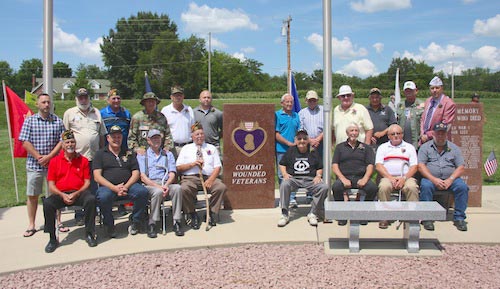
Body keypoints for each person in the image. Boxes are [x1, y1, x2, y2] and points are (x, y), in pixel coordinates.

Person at [42, 130, 97, 253]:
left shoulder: (82, 160)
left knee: (91, 200)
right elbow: (51, 185)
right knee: (47, 203)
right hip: (60, 194)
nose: (70, 145)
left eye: (72, 142)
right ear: (62, 145)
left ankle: (89, 233)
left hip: (78, 193)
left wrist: (75, 194)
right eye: (67, 142)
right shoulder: (55, 161)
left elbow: (87, 182)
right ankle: (52, 238)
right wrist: (62, 195)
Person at [19, 93, 64, 237]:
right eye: (43, 102)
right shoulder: (30, 121)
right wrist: (39, 157)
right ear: (37, 104)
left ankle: (58, 222)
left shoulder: (57, 121)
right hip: (34, 164)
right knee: (33, 195)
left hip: (53, 165)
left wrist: (50, 157)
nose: (46, 105)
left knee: (55, 195)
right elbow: (25, 141)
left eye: (48, 102)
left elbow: (62, 141)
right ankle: (31, 224)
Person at [93, 126, 149, 238]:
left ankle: (135, 220)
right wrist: (114, 188)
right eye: (114, 137)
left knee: (142, 192)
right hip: (108, 187)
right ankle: (109, 225)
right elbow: (97, 177)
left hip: (129, 185)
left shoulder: (128, 152)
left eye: (119, 137)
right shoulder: (100, 154)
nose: (116, 139)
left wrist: (126, 187)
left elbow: (136, 172)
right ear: (108, 138)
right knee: (103, 197)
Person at [63, 88, 106, 224]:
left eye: (85, 97)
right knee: (78, 186)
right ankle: (80, 215)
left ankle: (95, 212)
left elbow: (101, 135)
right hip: (77, 157)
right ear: (77, 98)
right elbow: (64, 136)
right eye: (80, 97)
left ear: (89, 98)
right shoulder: (70, 113)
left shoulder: (96, 113)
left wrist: (102, 152)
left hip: (94, 157)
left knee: (95, 186)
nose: (83, 100)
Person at [418, 122, 469, 232]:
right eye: (438, 134)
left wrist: (450, 180)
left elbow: (461, 167)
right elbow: (421, 166)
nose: (440, 136)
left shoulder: (454, 148)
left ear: (446, 135)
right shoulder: (425, 147)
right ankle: (427, 218)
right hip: (431, 179)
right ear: (434, 134)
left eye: (443, 134)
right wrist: (434, 179)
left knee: (462, 187)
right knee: (425, 186)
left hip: (450, 179)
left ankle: (459, 218)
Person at [176, 122, 226, 229]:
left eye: (201, 134)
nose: (199, 136)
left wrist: (211, 180)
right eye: (197, 134)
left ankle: (212, 212)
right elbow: (179, 167)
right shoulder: (186, 149)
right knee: (184, 189)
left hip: (208, 177)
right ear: (192, 136)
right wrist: (192, 164)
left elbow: (218, 167)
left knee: (221, 187)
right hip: (190, 178)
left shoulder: (211, 148)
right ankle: (191, 213)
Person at [137, 129, 184, 238]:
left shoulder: (168, 154)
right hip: (150, 184)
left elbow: (172, 173)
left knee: (177, 188)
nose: (156, 140)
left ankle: (176, 221)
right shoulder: (143, 155)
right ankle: (152, 223)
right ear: (148, 140)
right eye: (153, 138)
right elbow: (143, 177)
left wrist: (166, 185)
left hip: (165, 183)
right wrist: (158, 187)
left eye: (158, 138)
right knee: (157, 192)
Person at [276, 129, 328, 227]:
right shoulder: (291, 150)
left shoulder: (312, 151)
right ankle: (284, 214)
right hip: (294, 179)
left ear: (308, 140)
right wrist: (285, 174)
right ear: (295, 140)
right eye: (299, 138)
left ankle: (313, 213)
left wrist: (318, 176)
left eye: (304, 138)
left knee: (324, 187)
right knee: (284, 184)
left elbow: (319, 166)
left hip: (310, 179)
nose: (302, 141)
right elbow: (282, 164)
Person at [332, 123, 377, 226]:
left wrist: (365, 179)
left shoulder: (366, 147)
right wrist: (343, 179)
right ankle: (342, 215)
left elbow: (370, 165)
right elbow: (335, 165)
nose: (354, 133)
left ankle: (364, 214)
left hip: (360, 177)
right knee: (336, 187)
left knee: (372, 188)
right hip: (345, 177)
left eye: (356, 130)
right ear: (347, 133)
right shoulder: (340, 147)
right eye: (351, 130)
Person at [375, 124, 419, 229]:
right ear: (388, 136)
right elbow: (378, 166)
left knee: (412, 187)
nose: (396, 136)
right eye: (393, 134)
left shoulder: (409, 147)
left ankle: (413, 218)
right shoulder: (383, 147)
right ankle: (384, 217)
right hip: (388, 177)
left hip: (405, 177)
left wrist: (404, 179)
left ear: (402, 135)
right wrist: (390, 178)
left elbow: (414, 167)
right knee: (383, 187)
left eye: (398, 133)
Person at [100, 88, 131, 216]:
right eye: (113, 98)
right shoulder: (102, 114)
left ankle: (122, 204)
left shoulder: (126, 113)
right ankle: (107, 206)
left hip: (123, 149)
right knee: (109, 176)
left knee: (123, 175)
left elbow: (129, 131)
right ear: (108, 100)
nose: (116, 100)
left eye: (118, 98)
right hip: (107, 151)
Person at [275, 93, 300, 207]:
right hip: (281, 150)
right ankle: (284, 198)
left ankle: (292, 198)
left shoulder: (296, 115)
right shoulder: (277, 115)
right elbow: (276, 134)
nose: (289, 104)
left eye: (291, 102)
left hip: (295, 150)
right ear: (282, 103)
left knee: (294, 174)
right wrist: (289, 143)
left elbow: (299, 131)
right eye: (287, 102)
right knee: (282, 175)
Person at [420, 76, 456, 145]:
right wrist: (422, 133)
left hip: (439, 141)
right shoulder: (428, 101)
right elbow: (423, 119)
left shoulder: (449, 104)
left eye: (437, 88)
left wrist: (428, 135)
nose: (434, 90)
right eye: (432, 88)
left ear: (442, 88)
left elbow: (445, 124)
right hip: (423, 140)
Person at [161, 86, 195, 156]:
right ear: (171, 97)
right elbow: (162, 130)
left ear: (183, 97)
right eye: (175, 95)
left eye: (180, 95)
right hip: (172, 148)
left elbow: (193, 128)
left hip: (188, 147)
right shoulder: (165, 110)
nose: (178, 97)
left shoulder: (189, 110)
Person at [397, 81, 424, 148]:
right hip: (402, 142)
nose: (408, 93)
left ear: (416, 91)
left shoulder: (423, 105)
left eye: (411, 91)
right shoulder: (399, 105)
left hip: (417, 142)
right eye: (407, 91)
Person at [298, 90, 324, 157]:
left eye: (314, 100)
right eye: (310, 100)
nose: (312, 102)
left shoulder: (323, 111)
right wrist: (310, 140)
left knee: (321, 164)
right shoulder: (302, 113)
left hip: (322, 142)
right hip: (307, 142)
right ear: (306, 100)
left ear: (317, 100)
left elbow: (328, 127)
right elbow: (300, 129)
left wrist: (318, 139)